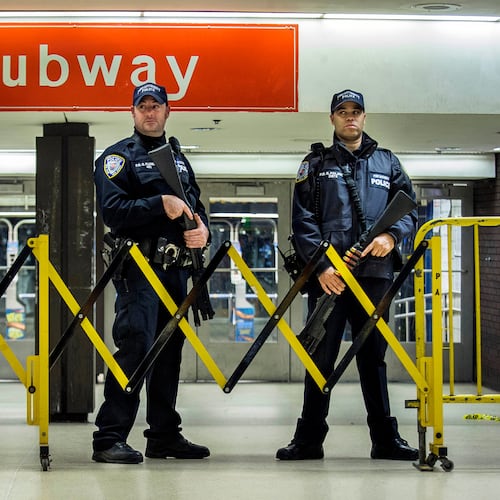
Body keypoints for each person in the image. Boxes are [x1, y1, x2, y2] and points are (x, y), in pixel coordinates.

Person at [276, 89, 419, 461]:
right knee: (319, 358)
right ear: (332, 119)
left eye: (356, 111)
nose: (350, 117)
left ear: (365, 117)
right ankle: (308, 440)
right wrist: (321, 268)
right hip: (330, 280)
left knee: (373, 357)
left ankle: (385, 440)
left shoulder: (388, 163)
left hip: (374, 276)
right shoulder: (316, 164)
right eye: (342, 112)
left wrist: (391, 234)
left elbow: (408, 209)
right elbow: (302, 221)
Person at [92, 82, 211, 464]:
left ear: (167, 111)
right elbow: (113, 212)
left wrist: (202, 228)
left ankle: (163, 436)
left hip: (176, 271)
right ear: (132, 112)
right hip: (139, 272)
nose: (149, 112)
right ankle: (109, 437)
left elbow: (195, 205)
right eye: (142, 106)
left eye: (155, 105)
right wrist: (159, 203)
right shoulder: (117, 159)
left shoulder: (178, 159)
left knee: (169, 353)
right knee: (136, 348)